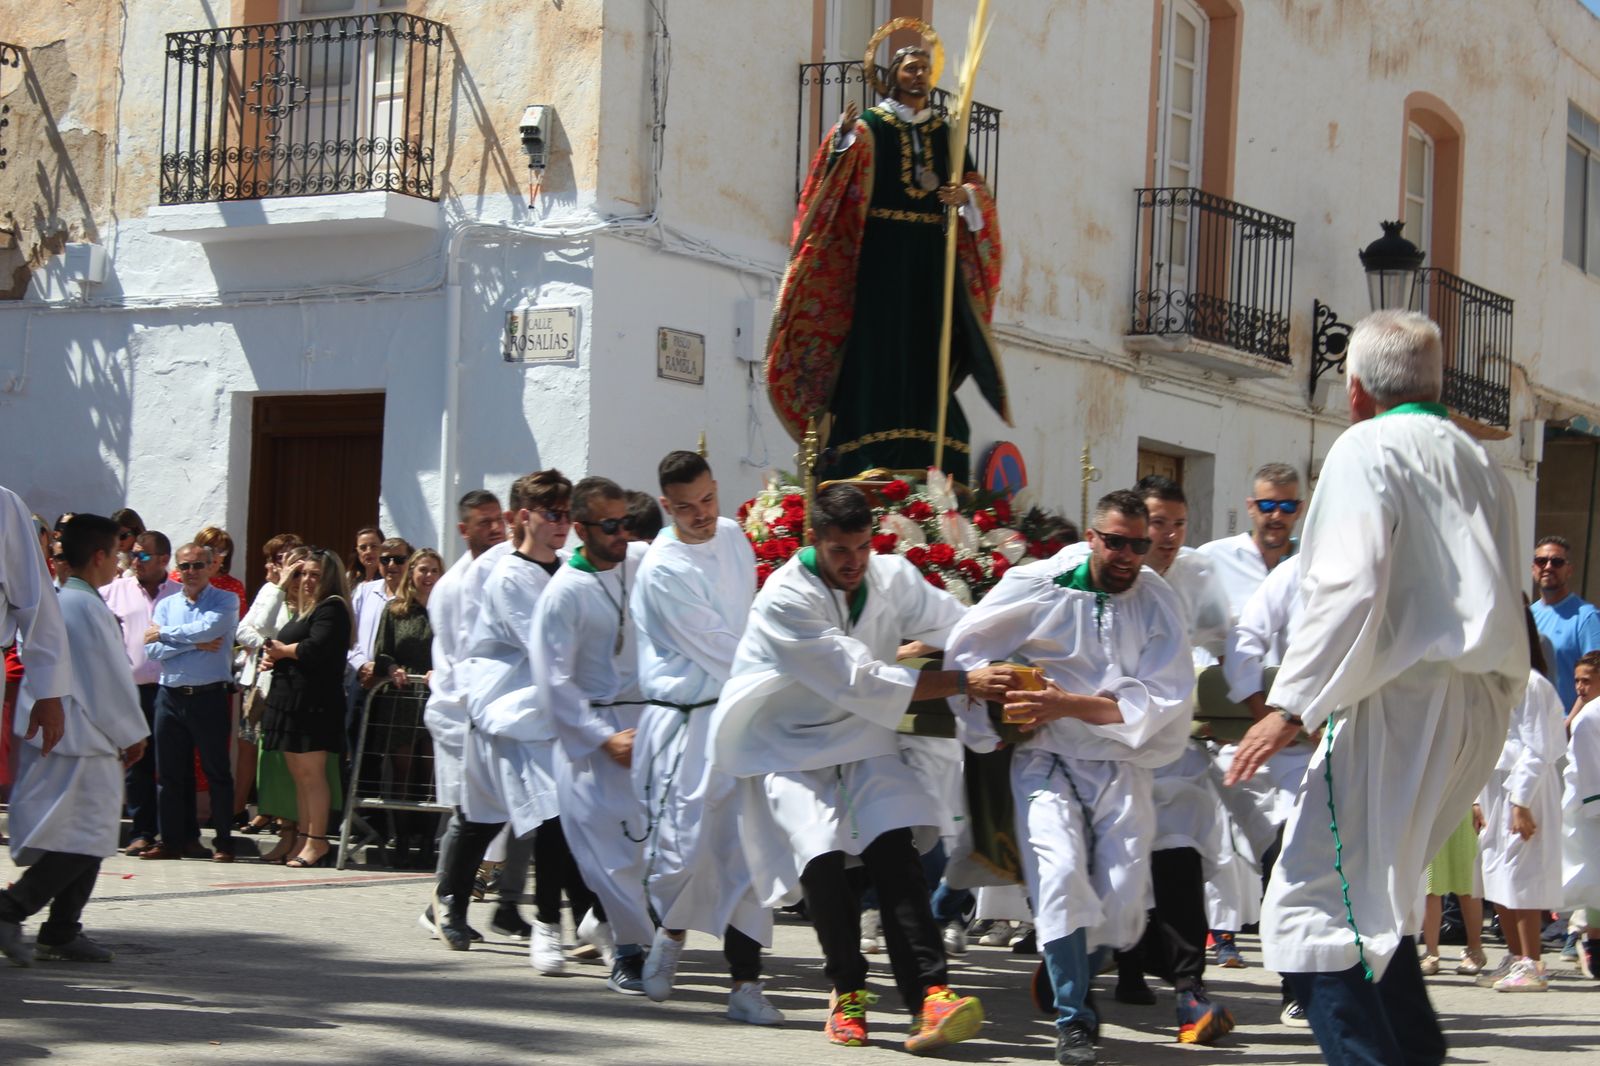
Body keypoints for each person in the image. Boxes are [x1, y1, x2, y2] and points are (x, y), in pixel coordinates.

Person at [1225, 310, 1528, 1066]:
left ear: (1355, 390)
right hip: (1478, 704)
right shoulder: (1480, 459)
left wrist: (1290, 705)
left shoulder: (1365, 447)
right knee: (1375, 899)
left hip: (1402, 699)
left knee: (1313, 902)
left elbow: (1346, 583)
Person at [711, 484, 1004, 1053]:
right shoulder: (784, 598)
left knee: (894, 850)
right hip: (789, 743)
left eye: (862, 547)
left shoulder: (890, 576)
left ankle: (931, 997)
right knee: (822, 860)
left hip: (863, 737)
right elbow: (859, 679)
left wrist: (1003, 647)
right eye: (840, 549)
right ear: (814, 539)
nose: (853, 562)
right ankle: (847, 992)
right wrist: (964, 681)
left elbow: (957, 623)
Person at [945, 490, 1198, 1065]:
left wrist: (1069, 703)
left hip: (1119, 763)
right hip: (1048, 759)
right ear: (1092, 536)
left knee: (1123, 901)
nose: (1129, 555)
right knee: (1057, 874)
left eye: (1140, 544)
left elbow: (1162, 699)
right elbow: (968, 647)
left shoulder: (1157, 601)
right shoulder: (1039, 584)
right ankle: (1074, 1019)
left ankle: (1074, 963)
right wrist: (991, 691)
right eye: (1117, 542)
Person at [768, 44, 1007, 483]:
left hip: (930, 259)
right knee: (877, 341)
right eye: (911, 67)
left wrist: (965, 198)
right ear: (893, 73)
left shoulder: (946, 133)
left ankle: (930, 440)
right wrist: (840, 139)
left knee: (927, 344)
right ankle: (868, 439)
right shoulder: (870, 126)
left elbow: (975, 187)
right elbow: (832, 175)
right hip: (881, 254)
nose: (919, 76)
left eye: (925, 69)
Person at [630, 451, 781, 1023]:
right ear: (666, 506)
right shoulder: (663, 568)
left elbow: (751, 619)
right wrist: (796, 672)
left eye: (709, 500)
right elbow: (722, 646)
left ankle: (745, 984)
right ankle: (667, 941)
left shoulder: (734, 536)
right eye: (686, 507)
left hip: (742, 711)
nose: (701, 515)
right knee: (684, 849)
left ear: (717, 490)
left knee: (746, 848)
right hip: (688, 724)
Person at [1111, 476, 1237, 1045]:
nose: (1167, 536)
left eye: (1178, 525)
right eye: (1158, 523)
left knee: (1179, 861)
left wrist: (1226, 699)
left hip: (1177, 748)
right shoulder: (1108, 574)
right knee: (1122, 865)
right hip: (1114, 748)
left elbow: (1230, 640)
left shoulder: (1198, 577)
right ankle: (1115, 964)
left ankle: (1190, 987)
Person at [453, 471, 591, 963]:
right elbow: (548, 645)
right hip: (517, 715)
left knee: (576, 819)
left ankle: (591, 919)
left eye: (568, 514)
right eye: (552, 515)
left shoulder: (572, 569)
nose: (562, 525)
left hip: (560, 712)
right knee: (547, 816)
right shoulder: (509, 577)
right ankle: (547, 925)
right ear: (523, 518)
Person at [0, 514, 149, 966]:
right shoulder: (82, 607)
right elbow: (106, 679)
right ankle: (13, 909)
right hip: (82, 737)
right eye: (117, 554)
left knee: (89, 834)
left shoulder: (70, 603)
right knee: (85, 837)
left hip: (73, 734)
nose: (120, 563)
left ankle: (62, 930)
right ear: (100, 555)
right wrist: (133, 733)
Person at [532, 476, 654, 995]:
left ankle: (607, 924)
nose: (621, 532)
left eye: (625, 521)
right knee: (611, 854)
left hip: (647, 724)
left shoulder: (637, 562)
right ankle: (626, 952)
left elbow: (694, 545)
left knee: (656, 848)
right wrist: (603, 739)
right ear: (580, 528)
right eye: (609, 524)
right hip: (596, 735)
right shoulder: (564, 593)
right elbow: (552, 680)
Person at [1196, 461, 1303, 971]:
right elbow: (1198, 641)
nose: (1276, 516)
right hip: (1233, 728)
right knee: (1228, 839)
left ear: (1299, 510)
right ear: (1250, 507)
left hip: (1303, 733)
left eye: (1286, 506)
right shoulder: (1214, 561)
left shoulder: (1316, 566)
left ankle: (1293, 955)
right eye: (1267, 505)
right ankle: (1221, 934)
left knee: (1293, 840)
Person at [419, 490, 509, 940]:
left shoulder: (505, 570)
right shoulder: (454, 585)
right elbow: (462, 654)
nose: (495, 528)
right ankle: (443, 903)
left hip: (492, 710)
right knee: (467, 815)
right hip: (460, 712)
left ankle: (505, 906)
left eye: (499, 520)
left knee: (504, 814)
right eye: (484, 522)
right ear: (463, 530)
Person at [1472, 610, 1566, 993]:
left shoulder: (1532, 683)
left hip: (1523, 788)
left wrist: (1521, 800)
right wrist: (1477, 797)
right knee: (1495, 870)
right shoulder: (1494, 683)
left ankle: (1533, 963)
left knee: (1520, 871)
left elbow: (1539, 747)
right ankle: (1514, 956)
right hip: (1495, 787)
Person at [142, 542, 240, 862]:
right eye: (185, 567)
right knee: (169, 774)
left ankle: (224, 842)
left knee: (217, 772)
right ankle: (171, 841)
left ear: (212, 567)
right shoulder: (167, 604)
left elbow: (210, 628)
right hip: (169, 695)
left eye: (198, 565)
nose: (191, 572)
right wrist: (193, 644)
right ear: (178, 570)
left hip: (209, 695)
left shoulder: (225, 600)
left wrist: (165, 635)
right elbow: (151, 651)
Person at [260, 549, 354, 868]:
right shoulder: (305, 609)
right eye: (304, 574)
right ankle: (303, 837)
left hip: (314, 702)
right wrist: (274, 656)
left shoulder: (333, 608)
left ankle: (317, 841)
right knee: (299, 775)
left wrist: (283, 650)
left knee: (313, 775)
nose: (308, 581)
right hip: (291, 698)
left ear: (330, 578)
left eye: (316, 575)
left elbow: (316, 647)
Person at [238, 541, 325, 863]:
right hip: (269, 688)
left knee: (301, 770)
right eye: (293, 571)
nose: (299, 578)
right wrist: (269, 645)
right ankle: (285, 835)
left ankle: (304, 837)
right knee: (273, 767)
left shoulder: (316, 602)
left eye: (303, 572)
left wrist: (280, 651)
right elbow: (248, 629)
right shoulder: (272, 593)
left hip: (300, 690)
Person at [99, 530, 179, 856]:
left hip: (169, 689)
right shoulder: (113, 591)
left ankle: (170, 833)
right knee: (136, 764)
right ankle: (141, 831)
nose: (135, 560)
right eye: (132, 554)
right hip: (129, 689)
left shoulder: (179, 593)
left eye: (143, 555)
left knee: (170, 763)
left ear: (163, 559)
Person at [362, 547, 442, 869]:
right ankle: (403, 841)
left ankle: (427, 844)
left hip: (435, 698)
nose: (427, 576)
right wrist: (392, 667)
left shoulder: (445, 610)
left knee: (430, 773)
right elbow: (382, 652)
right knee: (403, 772)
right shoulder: (396, 611)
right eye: (422, 570)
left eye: (434, 570)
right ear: (412, 573)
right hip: (403, 699)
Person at [1562, 650, 1600, 980]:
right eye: (1576, 680)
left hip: (1592, 807)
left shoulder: (1589, 717)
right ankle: (1593, 949)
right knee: (1592, 883)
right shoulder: (1586, 716)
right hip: (1589, 810)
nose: (1579, 687)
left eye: (1586, 680)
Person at [1531, 535, 1600, 711]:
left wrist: (1569, 722)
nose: (1548, 567)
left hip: (1565, 728)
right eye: (1541, 561)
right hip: (1528, 727)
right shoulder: (1527, 616)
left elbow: (1595, 677)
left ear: (1569, 570)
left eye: (1557, 562)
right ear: (1533, 568)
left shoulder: (1586, 616)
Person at [347, 526, 386, 590]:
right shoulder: (349, 581)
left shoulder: (388, 581)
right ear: (357, 551)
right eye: (363, 547)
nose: (368, 551)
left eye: (374, 546)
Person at [110, 508, 146, 573]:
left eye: (122, 535)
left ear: (135, 531)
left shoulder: (147, 553)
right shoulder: (117, 557)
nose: (118, 541)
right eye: (114, 536)